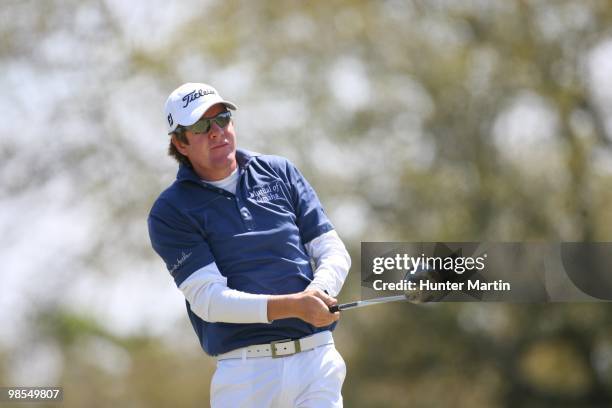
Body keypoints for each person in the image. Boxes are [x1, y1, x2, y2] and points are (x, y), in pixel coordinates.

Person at [147, 83, 351, 407]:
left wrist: (318, 292)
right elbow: (209, 300)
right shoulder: (171, 210)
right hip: (245, 375)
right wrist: (295, 305)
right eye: (201, 126)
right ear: (180, 143)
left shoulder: (279, 171)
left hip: (317, 361)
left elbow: (331, 249)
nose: (217, 132)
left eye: (222, 118)